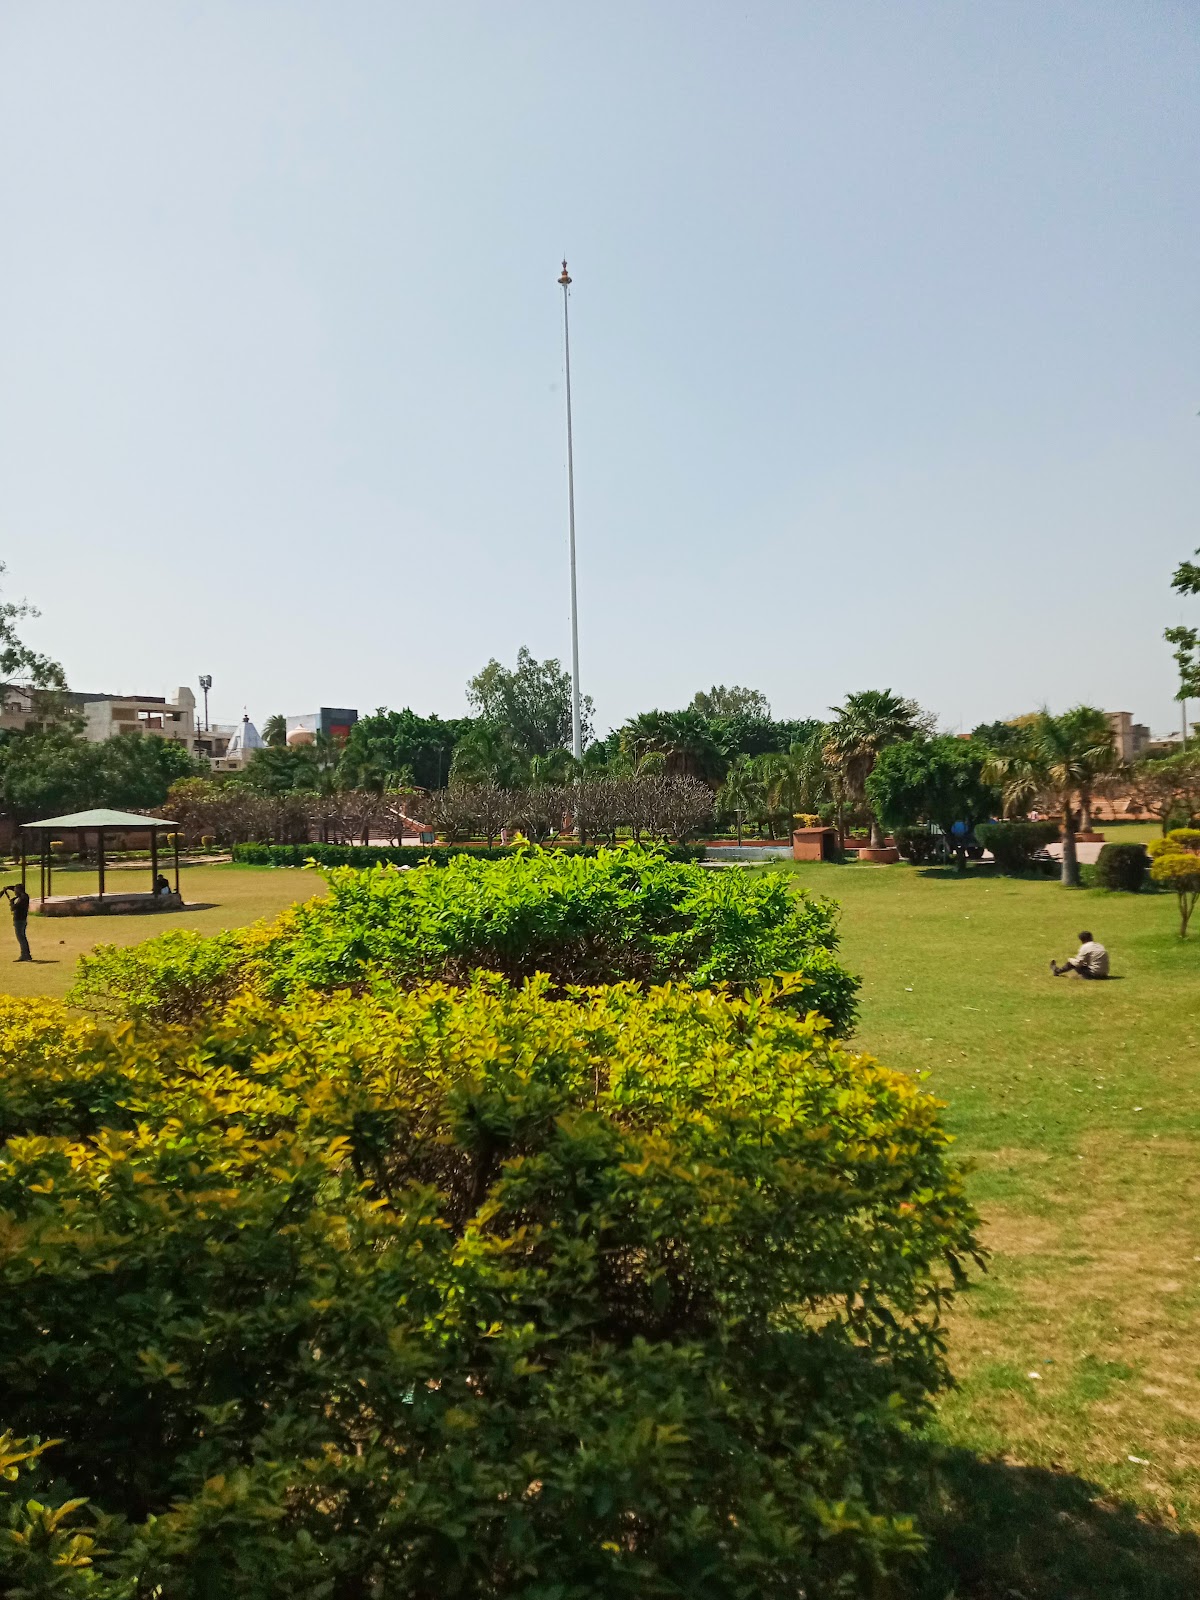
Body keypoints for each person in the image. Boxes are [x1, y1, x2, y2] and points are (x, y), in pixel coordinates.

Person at [3, 883, 32, 962]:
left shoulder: (22, 898)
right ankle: (26, 954)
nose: (15, 892)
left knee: (21, 938)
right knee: (22, 937)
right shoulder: (24, 896)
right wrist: (9, 887)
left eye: (16, 890)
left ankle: (25, 955)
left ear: (19, 890)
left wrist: (12, 902)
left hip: (19, 920)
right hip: (22, 920)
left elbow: (13, 908)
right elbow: (16, 890)